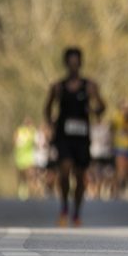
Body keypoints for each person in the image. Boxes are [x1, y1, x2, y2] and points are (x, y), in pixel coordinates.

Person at [43, 47, 105, 227]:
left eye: (76, 64)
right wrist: (51, 123)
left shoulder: (89, 86)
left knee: (80, 176)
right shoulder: (57, 87)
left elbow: (102, 106)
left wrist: (95, 110)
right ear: (66, 64)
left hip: (82, 137)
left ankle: (76, 212)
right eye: (70, 64)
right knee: (64, 170)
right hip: (63, 136)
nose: (73, 67)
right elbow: (47, 107)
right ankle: (63, 208)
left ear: (80, 64)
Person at [13, 118, 39, 200]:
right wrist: (18, 142)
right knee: (21, 176)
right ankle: (22, 189)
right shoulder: (19, 131)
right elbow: (14, 141)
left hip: (29, 157)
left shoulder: (33, 131)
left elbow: (38, 141)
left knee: (30, 174)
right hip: (20, 157)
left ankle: (32, 191)